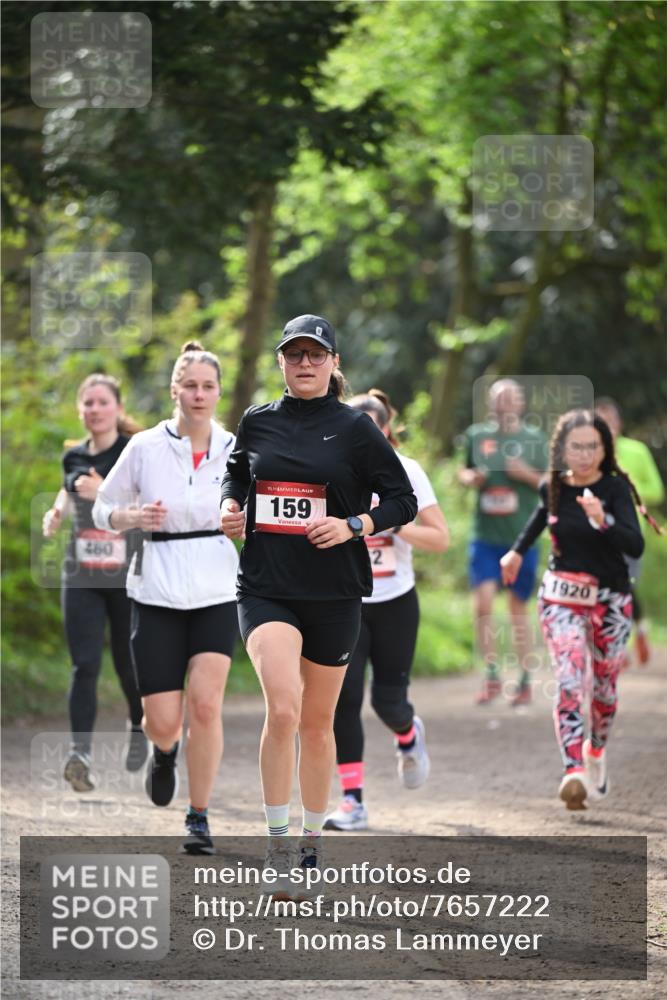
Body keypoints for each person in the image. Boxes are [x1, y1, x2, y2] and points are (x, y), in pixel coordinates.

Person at [220, 315, 417, 878]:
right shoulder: (257, 421)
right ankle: (277, 846)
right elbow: (236, 476)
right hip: (266, 588)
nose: (304, 363)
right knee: (282, 707)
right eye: (294, 354)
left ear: (334, 364)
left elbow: (401, 499)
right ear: (280, 362)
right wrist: (229, 509)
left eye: (316, 354)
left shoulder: (355, 429)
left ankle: (310, 845)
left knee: (317, 720)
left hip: (334, 592)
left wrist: (355, 524)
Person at [93, 342, 239, 854]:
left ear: (219, 393)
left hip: (217, 590)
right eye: (190, 386)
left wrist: (243, 524)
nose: (199, 395)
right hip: (154, 591)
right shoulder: (145, 447)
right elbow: (102, 509)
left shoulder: (235, 448)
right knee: (162, 720)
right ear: (175, 390)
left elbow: (258, 513)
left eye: (208, 386)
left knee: (205, 705)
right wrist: (130, 518)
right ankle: (164, 751)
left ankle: (198, 816)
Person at [500, 410, 661, 811]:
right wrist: (516, 552)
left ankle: (596, 750)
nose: (585, 454)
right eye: (577, 446)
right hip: (561, 597)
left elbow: (635, 546)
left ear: (605, 449)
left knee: (604, 692)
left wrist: (602, 519)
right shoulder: (553, 487)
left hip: (610, 599)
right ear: (562, 449)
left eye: (593, 446)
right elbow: (541, 516)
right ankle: (573, 769)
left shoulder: (615, 490)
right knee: (570, 679)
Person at [323, 389, 449, 832]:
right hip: (346, 602)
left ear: (386, 429)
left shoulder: (406, 471)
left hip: (395, 601)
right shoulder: (331, 469)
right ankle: (352, 800)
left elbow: (440, 538)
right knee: (344, 699)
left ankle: (409, 734)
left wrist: (396, 526)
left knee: (387, 701)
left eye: (371, 428)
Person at [42, 374, 145, 793]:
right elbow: (67, 492)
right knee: (84, 664)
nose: (94, 410)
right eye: (87, 403)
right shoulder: (74, 457)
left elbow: (148, 505)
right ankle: (80, 755)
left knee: (127, 661)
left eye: (102, 402)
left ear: (118, 409)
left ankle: (139, 725)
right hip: (81, 574)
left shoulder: (132, 452)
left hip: (126, 576)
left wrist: (104, 492)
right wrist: (56, 511)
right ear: (80, 410)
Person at [459, 379, 548, 706]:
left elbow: (553, 483)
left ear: (521, 404)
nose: (503, 405)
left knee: (516, 607)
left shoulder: (535, 439)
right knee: (482, 603)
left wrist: (525, 474)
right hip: (485, 536)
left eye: (510, 400)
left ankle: (525, 678)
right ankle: (492, 674)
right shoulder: (477, 435)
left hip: (521, 537)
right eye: (498, 400)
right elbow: (464, 472)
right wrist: (472, 478)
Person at [594, 398, 665, 665]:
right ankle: (617, 643)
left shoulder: (636, 451)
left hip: (629, 533)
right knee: (602, 587)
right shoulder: (591, 455)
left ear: (619, 423)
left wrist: (628, 492)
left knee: (624, 586)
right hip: (597, 534)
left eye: (609, 421)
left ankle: (629, 636)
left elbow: (657, 490)